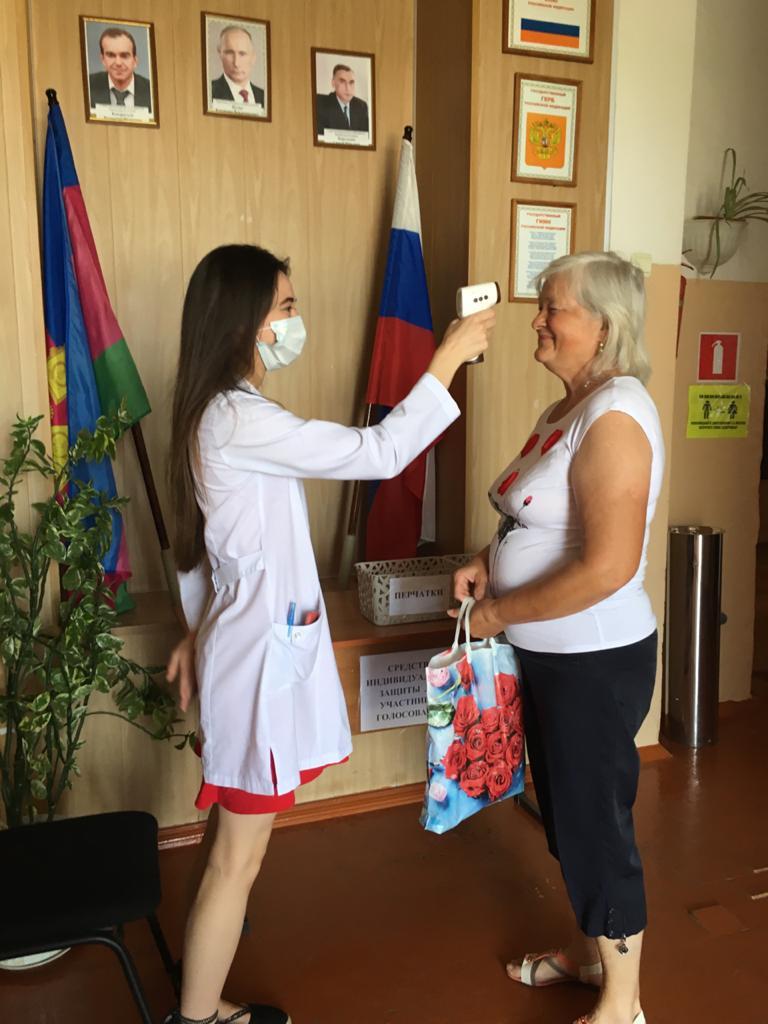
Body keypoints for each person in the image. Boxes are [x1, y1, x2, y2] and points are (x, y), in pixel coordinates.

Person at [164, 244, 493, 1024]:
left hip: (244, 649)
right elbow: (377, 452)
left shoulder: (222, 413)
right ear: (245, 321)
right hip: (254, 666)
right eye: (285, 307)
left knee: (227, 845)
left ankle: (201, 999)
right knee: (237, 861)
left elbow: (211, 549)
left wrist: (193, 631)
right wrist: (445, 359)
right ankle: (196, 1018)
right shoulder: (238, 417)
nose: (294, 320)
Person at [453, 251, 662, 1024]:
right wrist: (487, 562)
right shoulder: (565, 411)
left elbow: (607, 567)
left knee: (594, 823)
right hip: (548, 655)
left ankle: (623, 1006)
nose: (536, 319)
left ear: (604, 326)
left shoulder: (617, 416)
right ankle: (591, 956)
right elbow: (534, 518)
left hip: (593, 659)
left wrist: (498, 614)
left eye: (553, 307)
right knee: (566, 817)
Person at [88, 27, 152, 111]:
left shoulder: (152, 91)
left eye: (124, 56)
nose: (118, 63)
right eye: (111, 55)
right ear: (103, 60)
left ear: (135, 61)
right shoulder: (87, 86)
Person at [211, 26, 264, 106]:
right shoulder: (208, 92)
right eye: (229, 53)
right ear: (220, 55)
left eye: (242, 54)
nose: (236, 63)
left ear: (253, 58)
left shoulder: (264, 97)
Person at [316, 64, 369, 134]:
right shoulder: (320, 104)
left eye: (351, 82)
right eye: (342, 82)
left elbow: (365, 137)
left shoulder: (361, 106)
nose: (348, 88)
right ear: (333, 83)